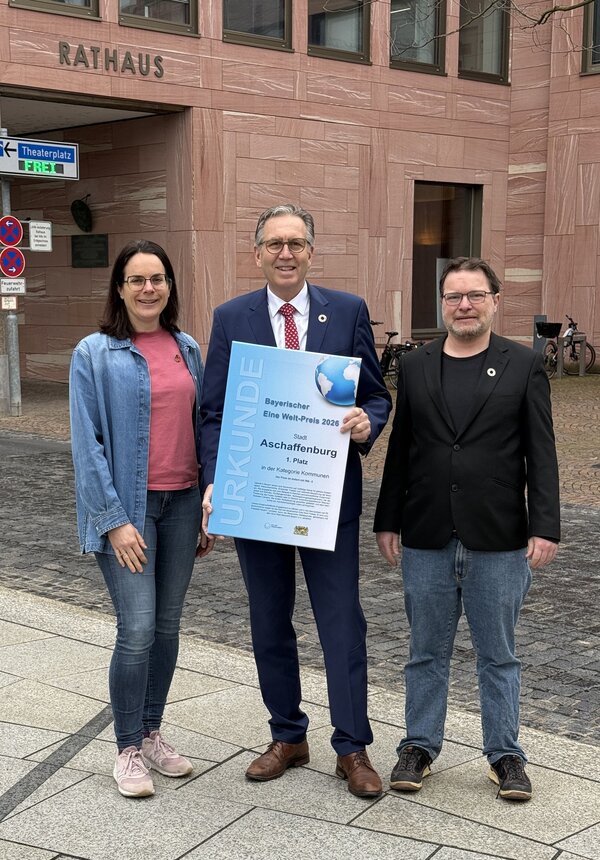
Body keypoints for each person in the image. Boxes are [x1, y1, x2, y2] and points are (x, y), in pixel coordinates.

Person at [200, 204, 392, 798]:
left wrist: (366, 425)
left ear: (312, 250)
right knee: (268, 621)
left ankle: (352, 746)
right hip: (258, 495)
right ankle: (287, 734)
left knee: (341, 623)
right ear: (257, 252)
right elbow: (211, 412)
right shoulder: (231, 318)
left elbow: (378, 397)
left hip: (328, 498)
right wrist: (215, 479)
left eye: (297, 243)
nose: (286, 253)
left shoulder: (349, 311)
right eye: (275, 243)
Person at [374, 257, 560, 802]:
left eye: (475, 296)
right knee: (424, 650)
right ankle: (418, 746)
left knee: (498, 653)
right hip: (426, 534)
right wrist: (387, 519)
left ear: (495, 301)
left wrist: (544, 525)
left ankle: (505, 755)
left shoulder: (524, 366)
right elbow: (401, 452)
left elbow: (541, 455)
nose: (464, 306)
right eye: (454, 297)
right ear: (442, 304)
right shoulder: (415, 366)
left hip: (499, 537)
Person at [70, 239, 210, 798]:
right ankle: (126, 746)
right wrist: (113, 520)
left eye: (157, 279)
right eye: (137, 280)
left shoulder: (187, 347)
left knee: (168, 627)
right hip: (130, 512)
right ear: (120, 289)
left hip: (181, 504)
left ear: (170, 287)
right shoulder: (94, 353)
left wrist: (206, 502)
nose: (148, 288)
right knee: (137, 629)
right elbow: (88, 445)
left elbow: (204, 428)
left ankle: (152, 730)